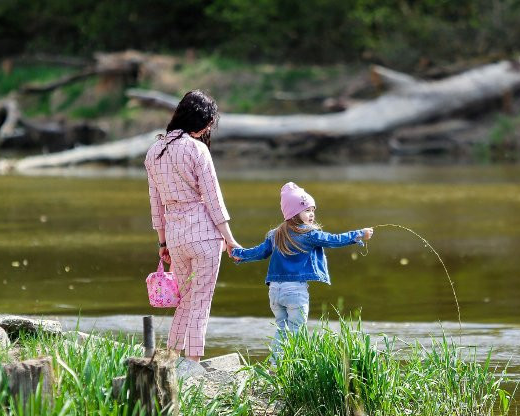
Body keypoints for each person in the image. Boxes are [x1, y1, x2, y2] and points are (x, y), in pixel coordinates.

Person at [144, 90, 241, 362]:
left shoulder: (154, 152)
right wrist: (230, 239)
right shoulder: (197, 149)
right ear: (200, 121)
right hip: (203, 235)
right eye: (209, 123)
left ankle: (172, 357)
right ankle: (194, 362)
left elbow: (156, 205)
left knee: (185, 301)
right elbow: (213, 199)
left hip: (175, 237)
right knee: (200, 301)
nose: (209, 128)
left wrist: (162, 243)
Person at [231, 182, 373, 361]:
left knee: (282, 329)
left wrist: (238, 254)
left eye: (313, 209)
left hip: (274, 291)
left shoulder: (275, 234)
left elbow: (258, 253)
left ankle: (276, 365)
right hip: (295, 292)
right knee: (297, 329)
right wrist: (359, 234)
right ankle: (294, 365)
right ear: (292, 213)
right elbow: (334, 240)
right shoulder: (309, 234)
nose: (311, 214)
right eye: (306, 210)